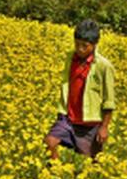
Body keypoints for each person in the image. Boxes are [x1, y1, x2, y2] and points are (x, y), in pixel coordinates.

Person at [45, 19, 117, 163]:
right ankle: (55, 174)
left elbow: (109, 100)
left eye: (85, 46)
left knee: (92, 162)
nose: (80, 49)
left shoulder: (104, 66)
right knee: (50, 141)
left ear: (95, 45)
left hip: (90, 123)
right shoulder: (70, 57)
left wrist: (104, 127)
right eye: (77, 44)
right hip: (68, 117)